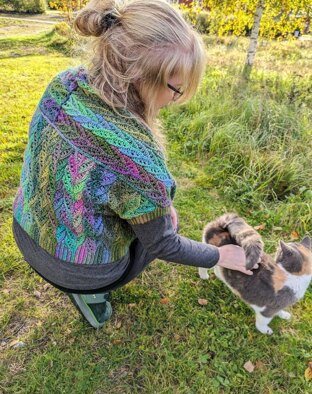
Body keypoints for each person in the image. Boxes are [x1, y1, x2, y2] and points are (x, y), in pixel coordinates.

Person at [12, 0, 257, 329]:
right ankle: (91, 297)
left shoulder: (63, 84)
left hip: (25, 228)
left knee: (152, 213)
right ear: (141, 75)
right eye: (176, 88)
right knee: (167, 222)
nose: (176, 99)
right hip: (79, 270)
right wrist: (219, 255)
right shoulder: (140, 162)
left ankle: (79, 279)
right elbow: (163, 244)